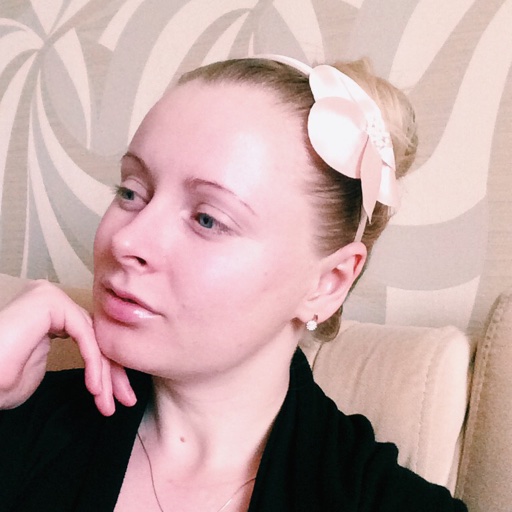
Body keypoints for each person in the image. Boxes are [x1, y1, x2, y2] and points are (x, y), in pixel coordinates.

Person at [0, 55, 467, 511]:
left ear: (327, 283)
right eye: (131, 192)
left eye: (207, 218)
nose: (125, 240)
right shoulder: (21, 422)